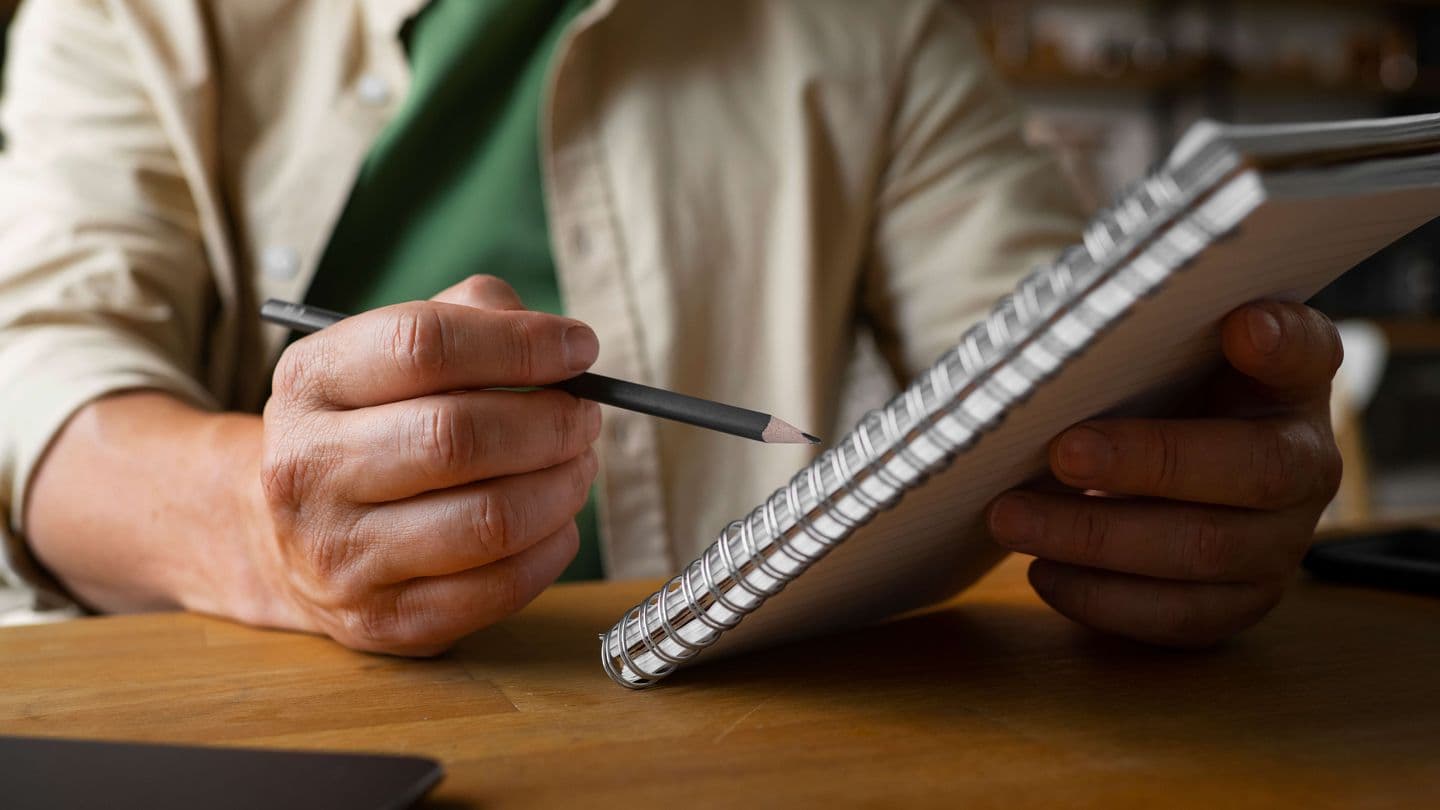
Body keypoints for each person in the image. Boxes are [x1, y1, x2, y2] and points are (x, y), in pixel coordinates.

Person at [0, 0, 1341, 654]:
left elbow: (1046, 364)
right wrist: (266, 528)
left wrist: (1175, 453)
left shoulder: (869, 23)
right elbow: (36, 387)